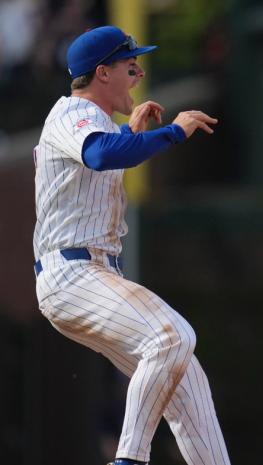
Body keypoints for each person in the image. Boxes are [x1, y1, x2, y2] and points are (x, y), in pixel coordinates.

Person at [32, 25, 228, 465]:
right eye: (129, 64)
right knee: (172, 336)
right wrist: (172, 133)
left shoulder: (96, 123)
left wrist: (131, 134)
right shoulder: (71, 113)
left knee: (187, 383)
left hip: (90, 274)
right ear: (102, 73)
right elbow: (100, 154)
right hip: (73, 274)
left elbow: (105, 155)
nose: (138, 72)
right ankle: (129, 460)